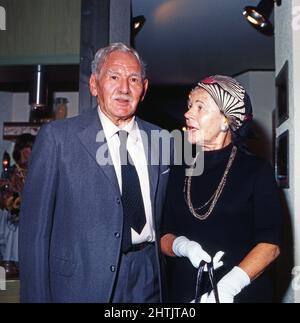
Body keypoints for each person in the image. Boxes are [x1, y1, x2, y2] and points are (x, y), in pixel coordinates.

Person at [19, 42, 172, 303]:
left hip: (148, 277)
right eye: (114, 77)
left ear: (144, 90)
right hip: (81, 282)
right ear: (94, 84)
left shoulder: (163, 140)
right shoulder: (58, 138)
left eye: (133, 79)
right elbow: (34, 235)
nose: (124, 88)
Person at [160, 75, 282, 303]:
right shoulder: (179, 169)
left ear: (226, 120)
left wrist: (228, 287)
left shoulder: (256, 171)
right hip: (184, 296)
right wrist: (182, 246)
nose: (187, 114)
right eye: (189, 106)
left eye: (200, 107)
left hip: (240, 294)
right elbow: (163, 235)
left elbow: (270, 245)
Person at [0, 134, 35, 278]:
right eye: (26, 149)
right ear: (20, 151)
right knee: (15, 227)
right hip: (13, 214)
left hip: (33, 215)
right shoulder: (11, 172)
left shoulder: (39, 171)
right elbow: (4, 195)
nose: (29, 153)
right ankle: (11, 263)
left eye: (32, 149)